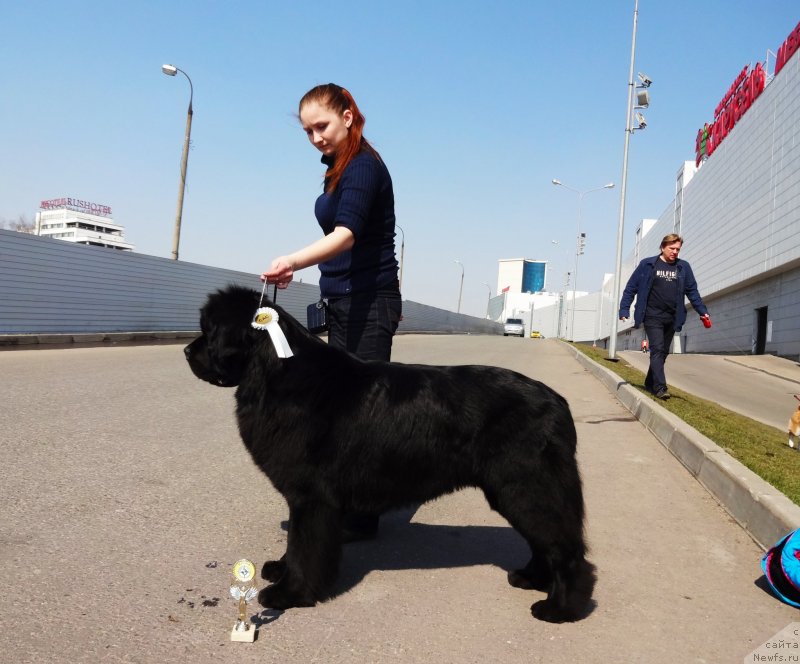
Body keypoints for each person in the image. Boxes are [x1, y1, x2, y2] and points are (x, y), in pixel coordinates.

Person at [261, 83, 402, 540]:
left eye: (321, 125)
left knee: (366, 413)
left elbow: (345, 235)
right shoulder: (338, 170)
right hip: (343, 300)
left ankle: (363, 517)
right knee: (344, 410)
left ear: (347, 115)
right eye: (307, 131)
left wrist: (292, 261)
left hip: (369, 302)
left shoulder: (363, 166)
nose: (316, 137)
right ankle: (351, 506)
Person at [618, 234, 709, 400]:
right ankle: (660, 387)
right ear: (662, 247)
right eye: (672, 248)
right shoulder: (647, 264)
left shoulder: (683, 267)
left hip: (673, 317)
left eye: (678, 249)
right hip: (652, 315)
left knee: (663, 352)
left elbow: (692, 292)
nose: (675, 252)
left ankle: (649, 381)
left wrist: (702, 311)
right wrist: (624, 309)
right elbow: (631, 287)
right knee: (658, 349)